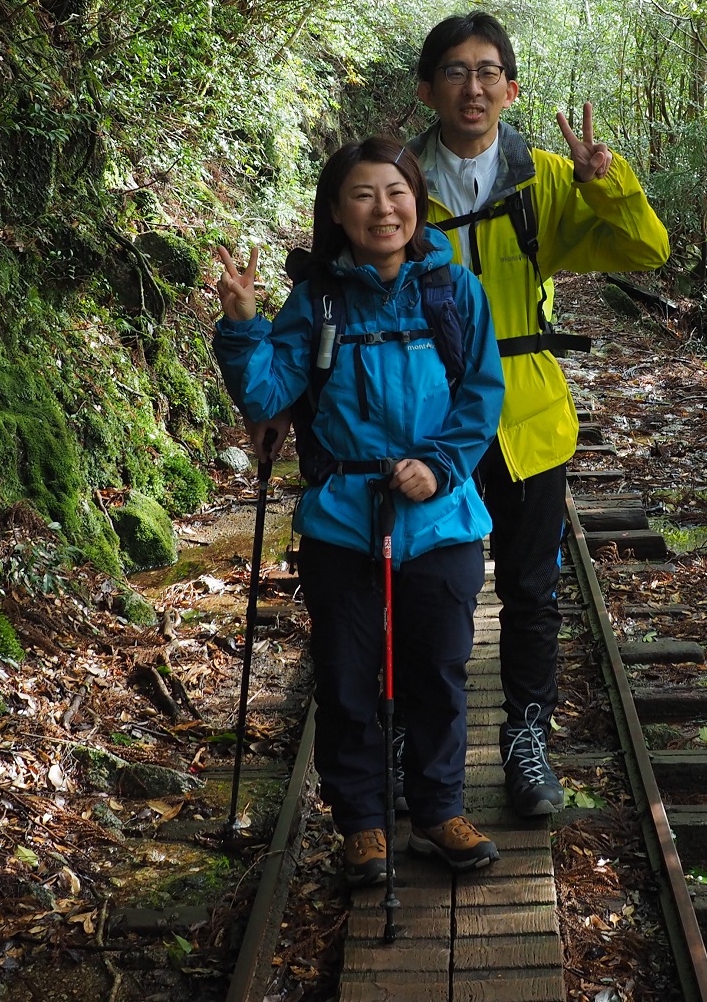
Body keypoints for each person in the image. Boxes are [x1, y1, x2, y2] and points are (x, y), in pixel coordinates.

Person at [212, 136, 506, 885]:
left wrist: (437, 467)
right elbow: (268, 395)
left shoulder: (452, 291)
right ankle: (363, 826)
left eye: (397, 192)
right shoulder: (316, 300)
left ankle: (438, 812)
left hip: (439, 520)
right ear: (337, 214)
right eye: (365, 196)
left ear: (417, 200)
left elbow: (481, 395)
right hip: (344, 519)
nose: (385, 208)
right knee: (347, 679)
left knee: (438, 671)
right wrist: (245, 323)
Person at [410, 10, 670, 818]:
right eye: (456, 71)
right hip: (426, 420)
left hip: (526, 417)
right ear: (428, 90)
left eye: (489, 71)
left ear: (511, 88)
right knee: (425, 591)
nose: (473, 86)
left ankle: (527, 740)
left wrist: (609, 183)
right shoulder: (400, 183)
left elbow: (644, 251)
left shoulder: (547, 180)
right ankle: (419, 747)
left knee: (530, 589)